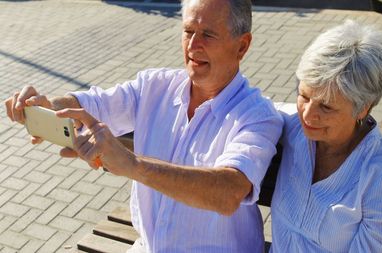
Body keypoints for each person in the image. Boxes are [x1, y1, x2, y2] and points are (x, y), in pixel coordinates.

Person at [4, 0, 283, 252]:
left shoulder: (257, 115)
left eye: (208, 34)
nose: (192, 45)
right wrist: (48, 107)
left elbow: (228, 192)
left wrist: (132, 164)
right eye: (188, 31)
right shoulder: (154, 86)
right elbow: (94, 104)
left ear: (242, 46)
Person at [270, 20, 382, 252]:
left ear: (362, 108)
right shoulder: (293, 126)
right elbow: (250, 106)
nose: (308, 115)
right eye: (304, 96)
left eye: (326, 107)